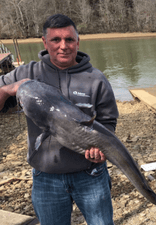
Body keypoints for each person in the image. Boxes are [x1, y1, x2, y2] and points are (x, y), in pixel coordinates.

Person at [0, 14, 118, 225]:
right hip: (46, 178)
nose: (63, 46)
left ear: (77, 42)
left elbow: (108, 123)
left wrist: (100, 151)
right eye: (56, 40)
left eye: (69, 39)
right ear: (45, 42)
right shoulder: (27, 72)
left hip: (90, 175)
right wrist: (9, 90)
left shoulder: (96, 79)